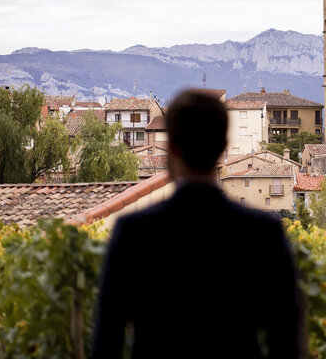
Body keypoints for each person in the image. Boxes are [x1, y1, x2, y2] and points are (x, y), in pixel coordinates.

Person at [91, 90, 301, 358]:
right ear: (223, 147)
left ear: (172, 148)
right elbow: (285, 341)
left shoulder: (134, 232)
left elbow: (107, 341)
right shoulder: (263, 234)